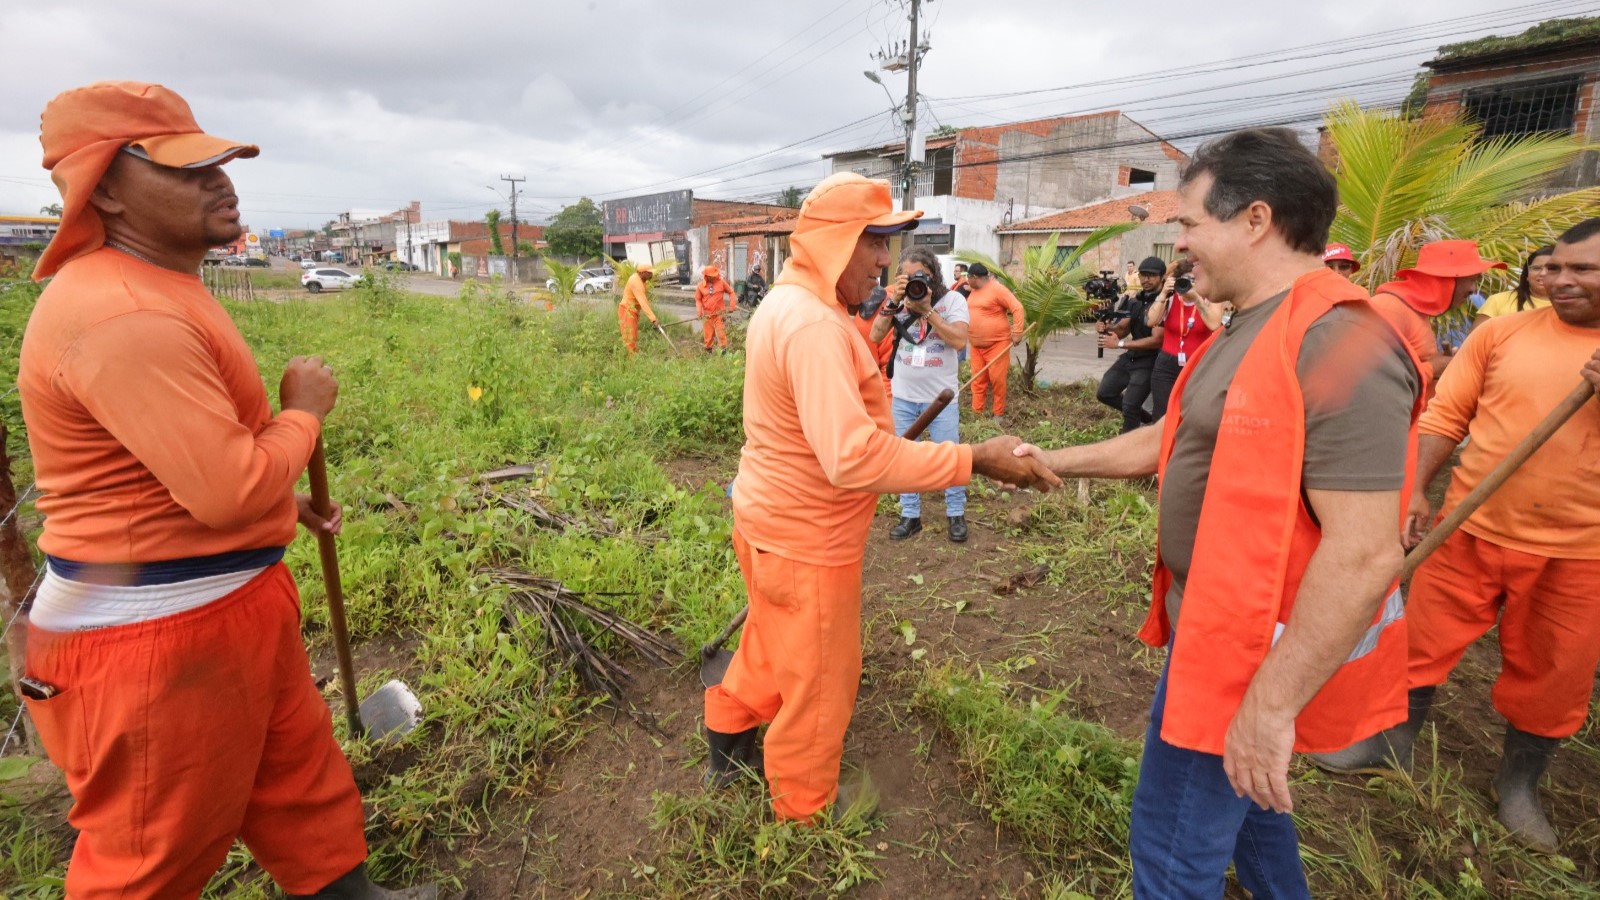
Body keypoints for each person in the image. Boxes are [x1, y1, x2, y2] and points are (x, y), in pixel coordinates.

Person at [15, 81, 433, 900]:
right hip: (152, 638)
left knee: (297, 779)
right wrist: (302, 417)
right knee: (148, 858)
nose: (220, 180)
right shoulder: (120, 314)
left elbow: (183, 467)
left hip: (222, 606)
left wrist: (282, 505)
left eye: (217, 161)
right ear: (105, 189)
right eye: (184, 168)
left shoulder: (158, 284)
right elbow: (230, 491)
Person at [1014, 127, 1422, 897]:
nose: (1180, 243)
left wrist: (1269, 706)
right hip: (1210, 630)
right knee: (1253, 817)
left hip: (1250, 656)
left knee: (1171, 852)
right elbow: (1174, 438)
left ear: (1256, 220)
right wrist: (1053, 461)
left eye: (1191, 223)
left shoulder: (1341, 344)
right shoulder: (1251, 325)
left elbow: (1367, 553)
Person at [701, 173, 1060, 822]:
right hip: (807, 541)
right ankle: (804, 807)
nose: (884, 261)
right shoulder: (813, 325)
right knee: (820, 679)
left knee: (769, 644)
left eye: (888, 243)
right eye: (873, 242)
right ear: (835, 242)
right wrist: (972, 459)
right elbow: (852, 457)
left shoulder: (789, 302)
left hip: (767, 521)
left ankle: (727, 741)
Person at [1309, 218, 1600, 854]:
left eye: (1583, 269)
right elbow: (1447, 414)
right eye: (1556, 266)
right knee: (1418, 641)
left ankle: (1518, 786)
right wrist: (1416, 488)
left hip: (1580, 554)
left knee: (1554, 675)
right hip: (1471, 525)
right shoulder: (1502, 334)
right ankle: (1389, 744)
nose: (1561, 278)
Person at [868, 248, 971, 542]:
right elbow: (875, 335)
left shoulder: (953, 301)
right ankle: (910, 515)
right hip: (903, 397)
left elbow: (958, 340)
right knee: (904, 458)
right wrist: (894, 301)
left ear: (933, 274)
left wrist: (927, 311)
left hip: (941, 400)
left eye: (920, 275)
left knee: (950, 456)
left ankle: (956, 514)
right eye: (907, 276)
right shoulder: (897, 302)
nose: (914, 281)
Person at [1368, 240, 1504, 388]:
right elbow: (1370, 378)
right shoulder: (1390, 308)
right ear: (1446, 279)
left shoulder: (1414, 310)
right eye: (1472, 280)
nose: (1473, 289)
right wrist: (1433, 368)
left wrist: (1439, 364)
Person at [1145, 259, 1226, 420]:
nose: (1189, 284)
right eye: (1185, 280)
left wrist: (1196, 299)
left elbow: (1214, 324)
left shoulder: (1211, 299)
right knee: (1162, 415)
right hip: (1167, 366)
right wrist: (1163, 293)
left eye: (1193, 280)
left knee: (1190, 415)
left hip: (1198, 364)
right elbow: (1150, 321)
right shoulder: (1171, 298)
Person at [1096, 256, 1165, 433]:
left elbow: (1157, 340)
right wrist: (1106, 327)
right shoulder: (1136, 301)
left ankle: (1128, 441)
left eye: (1151, 275)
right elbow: (1122, 328)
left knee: (1130, 405)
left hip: (1150, 360)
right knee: (1104, 393)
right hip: (1131, 357)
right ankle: (1149, 421)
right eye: (1143, 275)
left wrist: (1119, 344)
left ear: (1162, 277)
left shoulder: (1164, 303)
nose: (1145, 279)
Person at [964, 262, 1026, 422]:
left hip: (997, 344)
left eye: (967, 277)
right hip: (976, 346)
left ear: (974, 277)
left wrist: (1017, 332)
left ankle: (998, 414)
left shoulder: (997, 289)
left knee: (997, 380)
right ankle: (976, 412)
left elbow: (1017, 308)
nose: (966, 281)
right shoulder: (974, 291)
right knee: (978, 380)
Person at [1474, 245, 1552, 324]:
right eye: (1536, 268)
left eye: (1551, 268)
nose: (1543, 273)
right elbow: (1478, 332)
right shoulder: (1498, 301)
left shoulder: (1560, 307)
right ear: (1527, 275)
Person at [619, 261, 659, 354]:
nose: (651, 275)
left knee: (633, 335)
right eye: (649, 273)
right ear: (642, 273)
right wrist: (653, 319)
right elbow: (643, 302)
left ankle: (633, 356)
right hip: (627, 311)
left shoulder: (641, 280)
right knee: (629, 337)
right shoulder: (636, 282)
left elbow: (644, 301)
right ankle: (631, 359)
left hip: (632, 311)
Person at [695, 264, 737, 352]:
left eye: (715, 275)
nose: (714, 277)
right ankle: (708, 352)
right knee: (708, 337)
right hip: (707, 316)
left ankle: (724, 353)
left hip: (719, 314)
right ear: (706, 276)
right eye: (711, 276)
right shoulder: (700, 286)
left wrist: (732, 306)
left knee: (721, 334)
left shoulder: (721, 282)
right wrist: (699, 312)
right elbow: (698, 300)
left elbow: (731, 292)